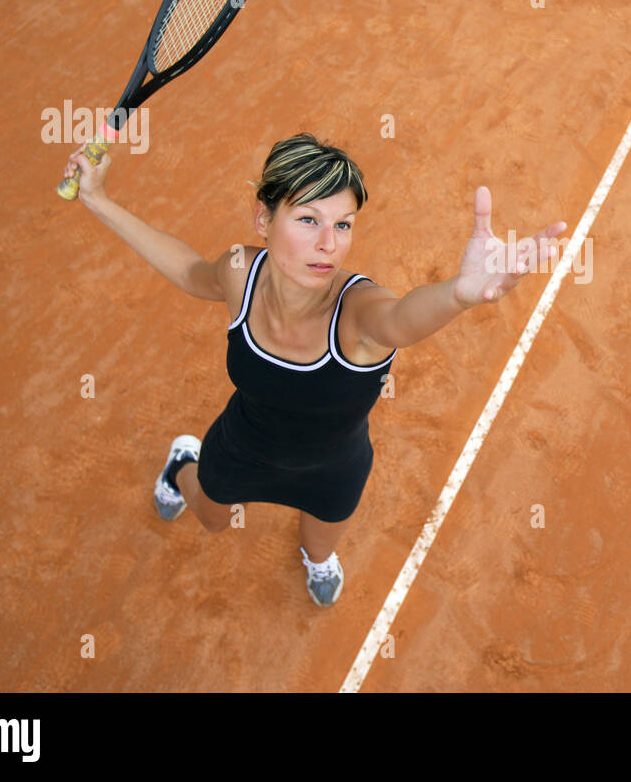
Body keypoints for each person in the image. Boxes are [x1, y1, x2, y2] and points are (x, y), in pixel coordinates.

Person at [64, 131, 565, 606]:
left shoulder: (358, 314)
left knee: (321, 543)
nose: (329, 243)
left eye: (342, 224)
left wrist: (457, 295)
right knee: (212, 520)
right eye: (308, 220)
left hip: (332, 468)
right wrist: (98, 200)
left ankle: (317, 559)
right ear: (264, 219)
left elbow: (400, 319)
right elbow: (192, 272)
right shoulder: (241, 272)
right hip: (240, 450)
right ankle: (182, 462)